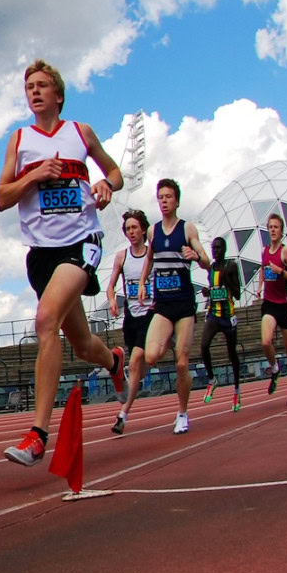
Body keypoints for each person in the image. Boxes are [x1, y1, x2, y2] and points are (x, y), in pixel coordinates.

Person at [0, 60, 128, 467]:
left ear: (58, 94)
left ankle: (37, 435)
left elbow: (116, 172)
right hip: (41, 254)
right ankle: (114, 361)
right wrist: (34, 177)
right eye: (28, 87)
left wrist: (106, 183)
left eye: (41, 86)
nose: (33, 92)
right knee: (83, 344)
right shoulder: (19, 140)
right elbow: (2, 198)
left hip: (81, 242)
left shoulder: (80, 133)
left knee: (44, 320)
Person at [125, 179, 209, 435]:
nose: (163, 201)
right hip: (162, 306)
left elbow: (206, 260)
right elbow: (149, 259)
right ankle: (174, 342)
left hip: (183, 305)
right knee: (150, 356)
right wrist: (142, 283)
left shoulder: (187, 230)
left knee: (182, 364)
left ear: (177, 201)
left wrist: (196, 257)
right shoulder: (153, 232)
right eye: (160, 196)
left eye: (168, 197)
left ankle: (182, 413)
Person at [105, 208, 153, 434]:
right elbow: (110, 285)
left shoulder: (152, 254)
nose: (131, 232)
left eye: (134, 228)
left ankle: (123, 414)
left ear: (143, 230)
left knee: (136, 363)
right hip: (131, 317)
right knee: (139, 371)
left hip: (151, 315)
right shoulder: (122, 257)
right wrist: (112, 300)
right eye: (127, 229)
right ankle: (127, 379)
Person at [252, 213, 287, 406]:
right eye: (270, 227)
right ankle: (274, 369)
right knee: (265, 342)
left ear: (281, 231)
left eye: (276, 227)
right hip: (269, 303)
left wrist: (281, 271)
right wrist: (258, 288)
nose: (272, 230)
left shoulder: (285, 252)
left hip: (284, 305)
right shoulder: (264, 251)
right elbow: (264, 271)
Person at [198, 236, 243, 412]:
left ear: (224, 249)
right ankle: (211, 379)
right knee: (203, 345)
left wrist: (227, 280)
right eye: (213, 248)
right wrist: (208, 292)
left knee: (232, 354)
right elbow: (215, 290)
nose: (215, 251)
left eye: (218, 248)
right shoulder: (211, 268)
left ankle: (237, 390)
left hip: (228, 316)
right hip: (214, 315)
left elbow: (238, 293)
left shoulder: (230, 266)